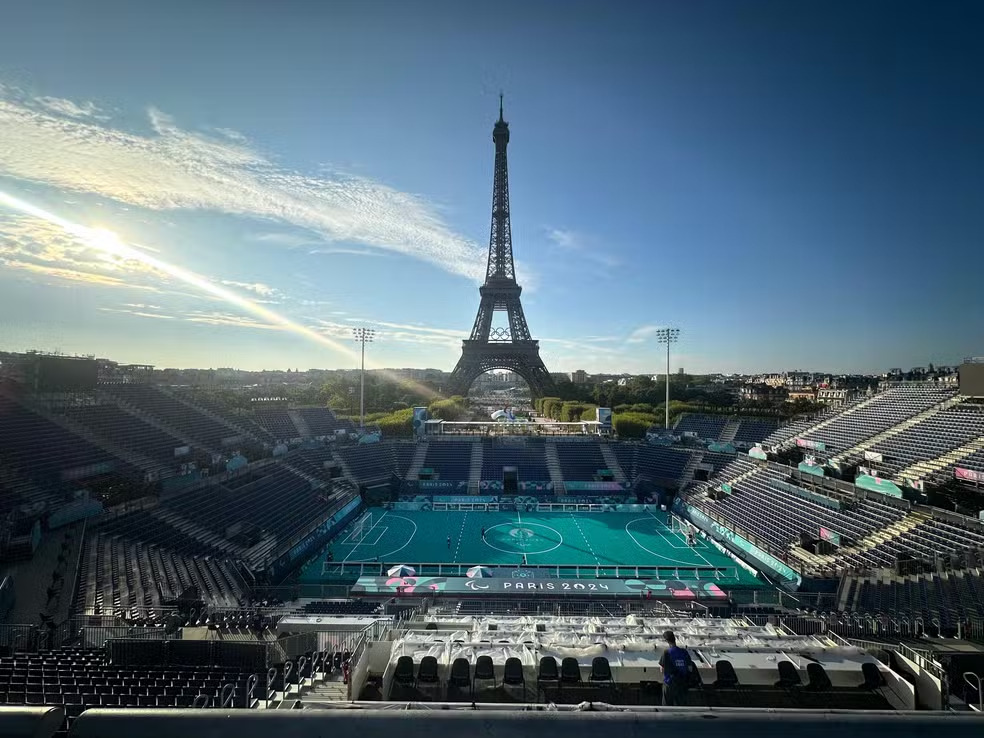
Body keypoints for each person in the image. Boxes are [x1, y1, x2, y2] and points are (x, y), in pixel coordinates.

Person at [659, 630, 693, 706]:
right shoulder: (684, 652)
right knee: (681, 707)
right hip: (682, 683)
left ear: (666, 641)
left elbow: (662, 669)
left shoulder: (666, 652)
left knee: (666, 708)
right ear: (674, 639)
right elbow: (690, 668)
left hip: (669, 684)